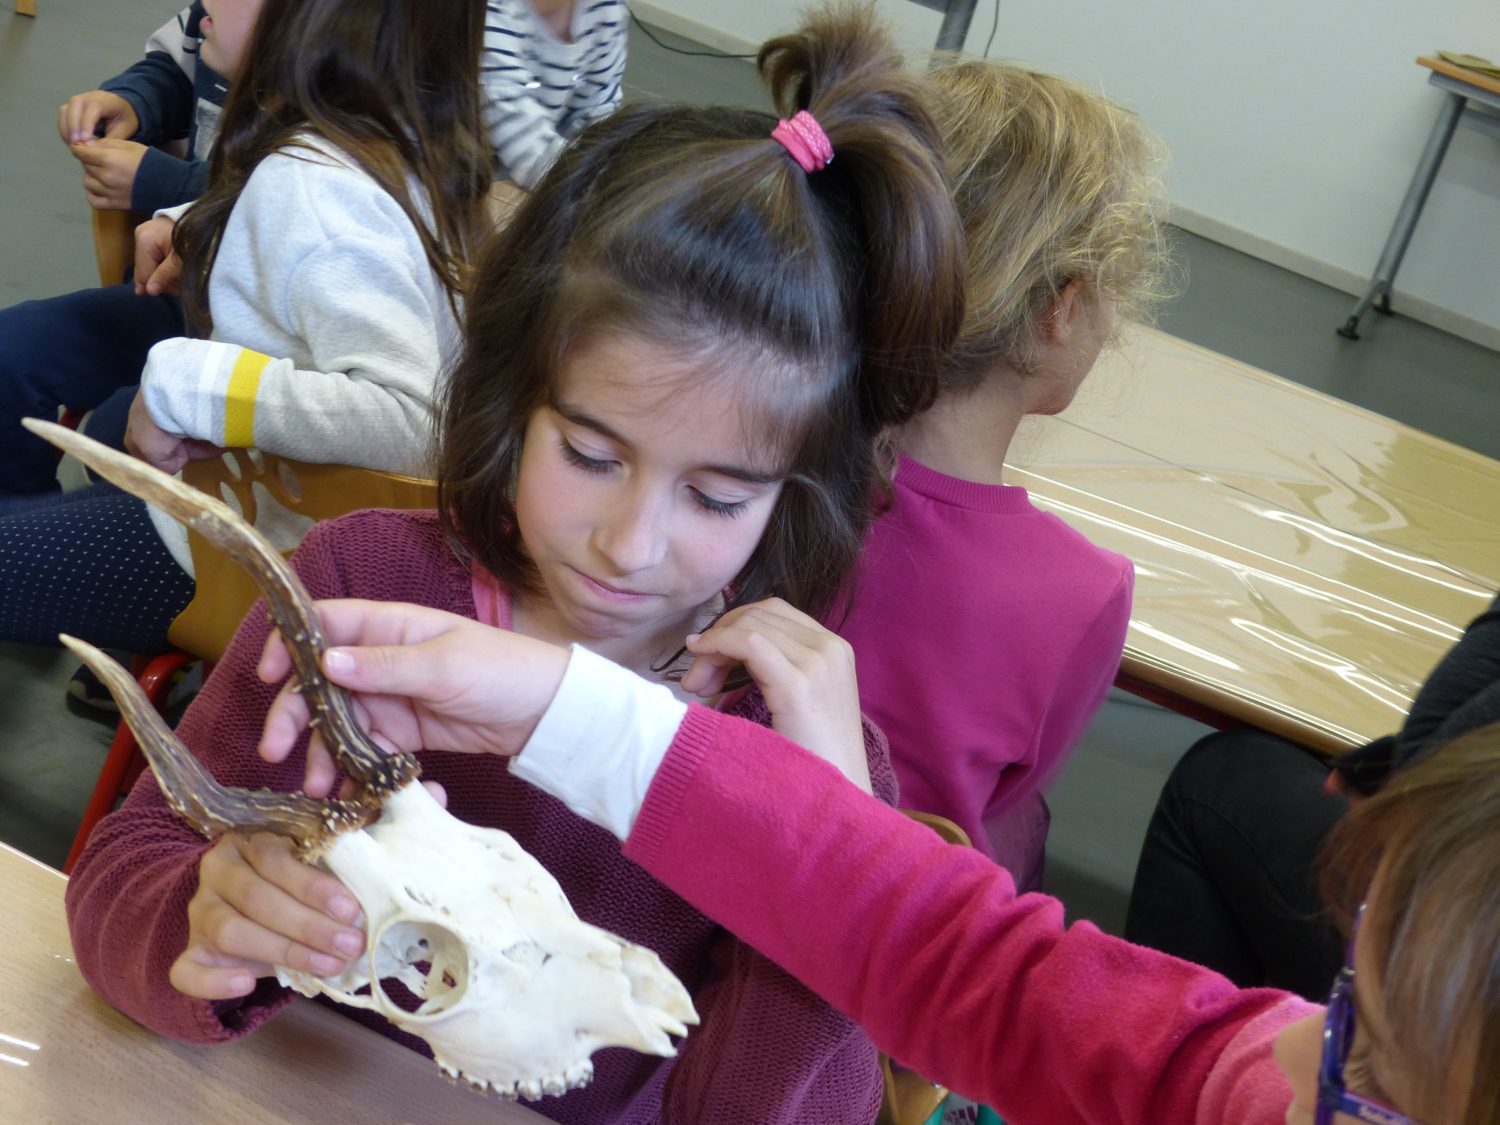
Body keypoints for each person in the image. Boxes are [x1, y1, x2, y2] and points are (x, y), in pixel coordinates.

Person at [65, 8, 966, 1122]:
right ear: (510, 398)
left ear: (796, 491)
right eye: (590, 455)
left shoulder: (796, 742)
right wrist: (202, 920)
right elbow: (127, 876)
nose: (629, 544)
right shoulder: (361, 587)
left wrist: (831, 856)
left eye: (717, 496)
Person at [255, 598, 1500, 1124]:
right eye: (1347, 999)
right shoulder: (1261, 1079)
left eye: (1370, 1083)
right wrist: (565, 710)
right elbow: (960, 958)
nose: (1295, 1048)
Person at [0, 0, 491, 656]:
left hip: (252, 555)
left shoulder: (315, 187)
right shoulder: (387, 137)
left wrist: (191, 384)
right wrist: (199, 218)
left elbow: (413, 420)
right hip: (269, 520)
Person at [837, 62, 1164, 888]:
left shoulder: (750, 468)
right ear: (1064, 306)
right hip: (884, 913)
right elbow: (1011, 791)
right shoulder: (1081, 592)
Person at [1125, 588, 1500, 1001]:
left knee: (1216, 783)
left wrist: (1408, 768)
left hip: (1458, 984)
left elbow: (1431, 792)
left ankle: (1178, 1038)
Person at [1, 4, 224, 497]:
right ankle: (24, 524)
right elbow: (178, 69)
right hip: (184, 296)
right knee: (8, 353)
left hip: (266, 343)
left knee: (116, 439)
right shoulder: (218, 18)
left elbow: (283, 200)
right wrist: (133, 101)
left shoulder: (360, 88)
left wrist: (168, 185)